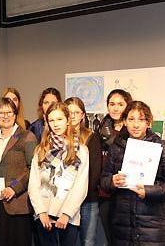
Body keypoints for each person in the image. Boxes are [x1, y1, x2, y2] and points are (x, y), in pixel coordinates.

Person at [100, 101, 165, 245]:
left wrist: (148, 191)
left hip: (154, 225)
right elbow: (104, 180)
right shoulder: (116, 147)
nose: (136, 124)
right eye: (131, 119)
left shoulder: (162, 147)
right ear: (125, 121)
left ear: (148, 122)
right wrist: (112, 181)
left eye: (141, 119)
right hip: (122, 225)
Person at [0, 97, 38, 246]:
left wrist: (14, 188)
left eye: (9, 112)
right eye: (1, 113)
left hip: (18, 204)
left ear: (15, 114)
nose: (5, 116)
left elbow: (34, 169)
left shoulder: (27, 137)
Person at [28, 102, 89, 246]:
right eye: (51, 120)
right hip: (44, 216)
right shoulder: (41, 150)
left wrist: (66, 214)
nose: (56, 124)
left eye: (59, 119)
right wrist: (41, 212)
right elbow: (33, 183)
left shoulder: (80, 150)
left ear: (68, 120)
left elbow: (81, 186)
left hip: (67, 217)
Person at [64, 97, 104, 246]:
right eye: (69, 112)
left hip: (88, 200)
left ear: (82, 115)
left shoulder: (91, 138)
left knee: (87, 241)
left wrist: (79, 194)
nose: (73, 115)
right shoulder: (58, 138)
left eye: (77, 112)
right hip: (64, 200)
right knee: (68, 241)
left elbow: (94, 173)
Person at [96, 89, 132, 242]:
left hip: (127, 193)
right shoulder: (101, 130)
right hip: (105, 193)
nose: (116, 108)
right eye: (112, 104)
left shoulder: (133, 130)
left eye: (120, 104)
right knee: (110, 238)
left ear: (128, 106)